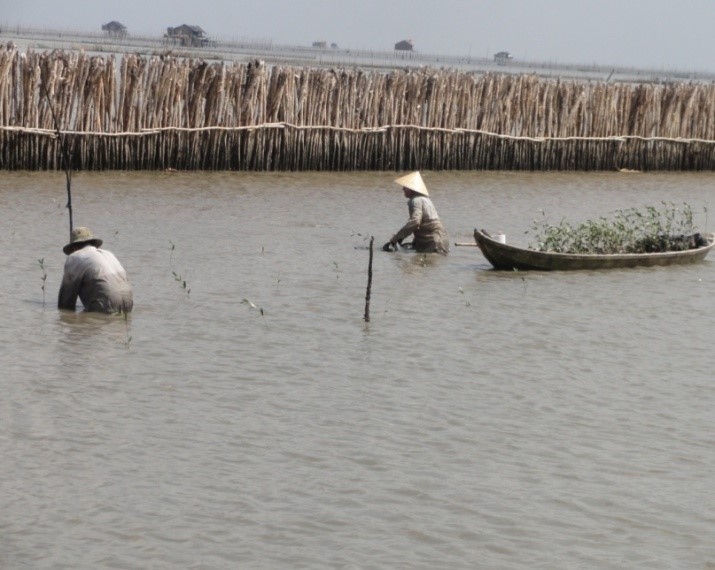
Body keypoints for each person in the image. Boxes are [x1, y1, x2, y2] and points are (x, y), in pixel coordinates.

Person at [58, 227, 134, 313]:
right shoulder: (109, 254)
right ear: (93, 244)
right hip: (128, 304)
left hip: (106, 305)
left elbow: (65, 301)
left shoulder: (74, 257)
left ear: (74, 248)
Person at [382, 171, 449, 254]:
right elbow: (421, 224)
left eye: (405, 187)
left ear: (412, 188)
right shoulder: (424, 199)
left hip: (433, 242)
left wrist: (395, 239)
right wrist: (400, 238)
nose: (403, 189)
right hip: (438, 238)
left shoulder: (416, 200)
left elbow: (415, 222)